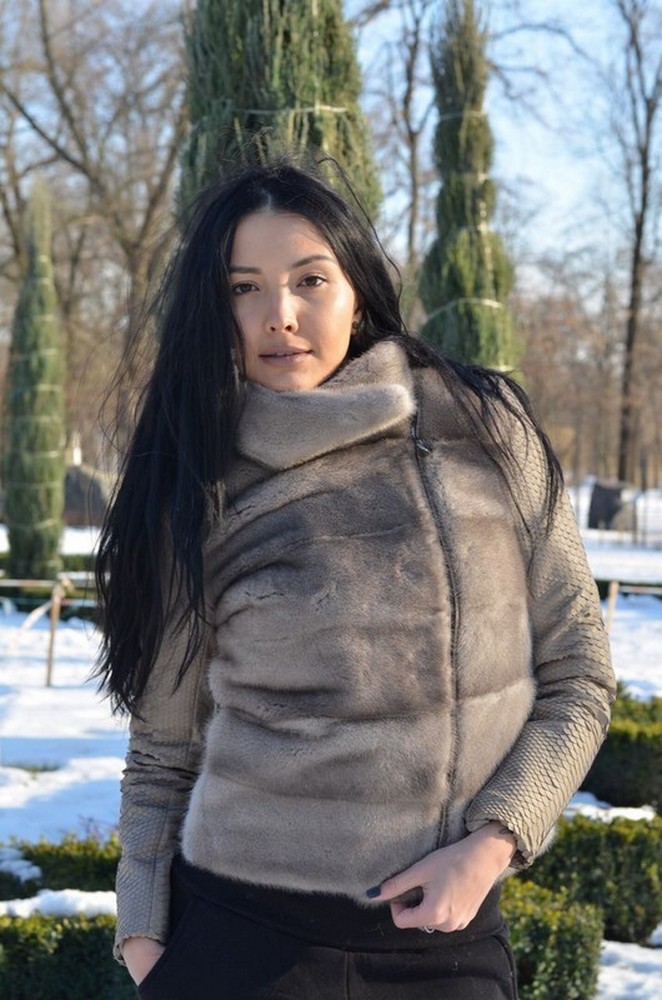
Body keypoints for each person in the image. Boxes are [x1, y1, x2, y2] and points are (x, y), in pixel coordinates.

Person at [96, 158, 615, 1000]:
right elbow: (164, 749)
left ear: (358, 293)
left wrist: (492, 844)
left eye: (310, 280)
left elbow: (579, 676)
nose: (280, 315)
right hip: (241, 939)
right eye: (243, 288)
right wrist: (145, 937)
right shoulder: (197, 483)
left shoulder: (485, 430)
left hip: (444, 945)